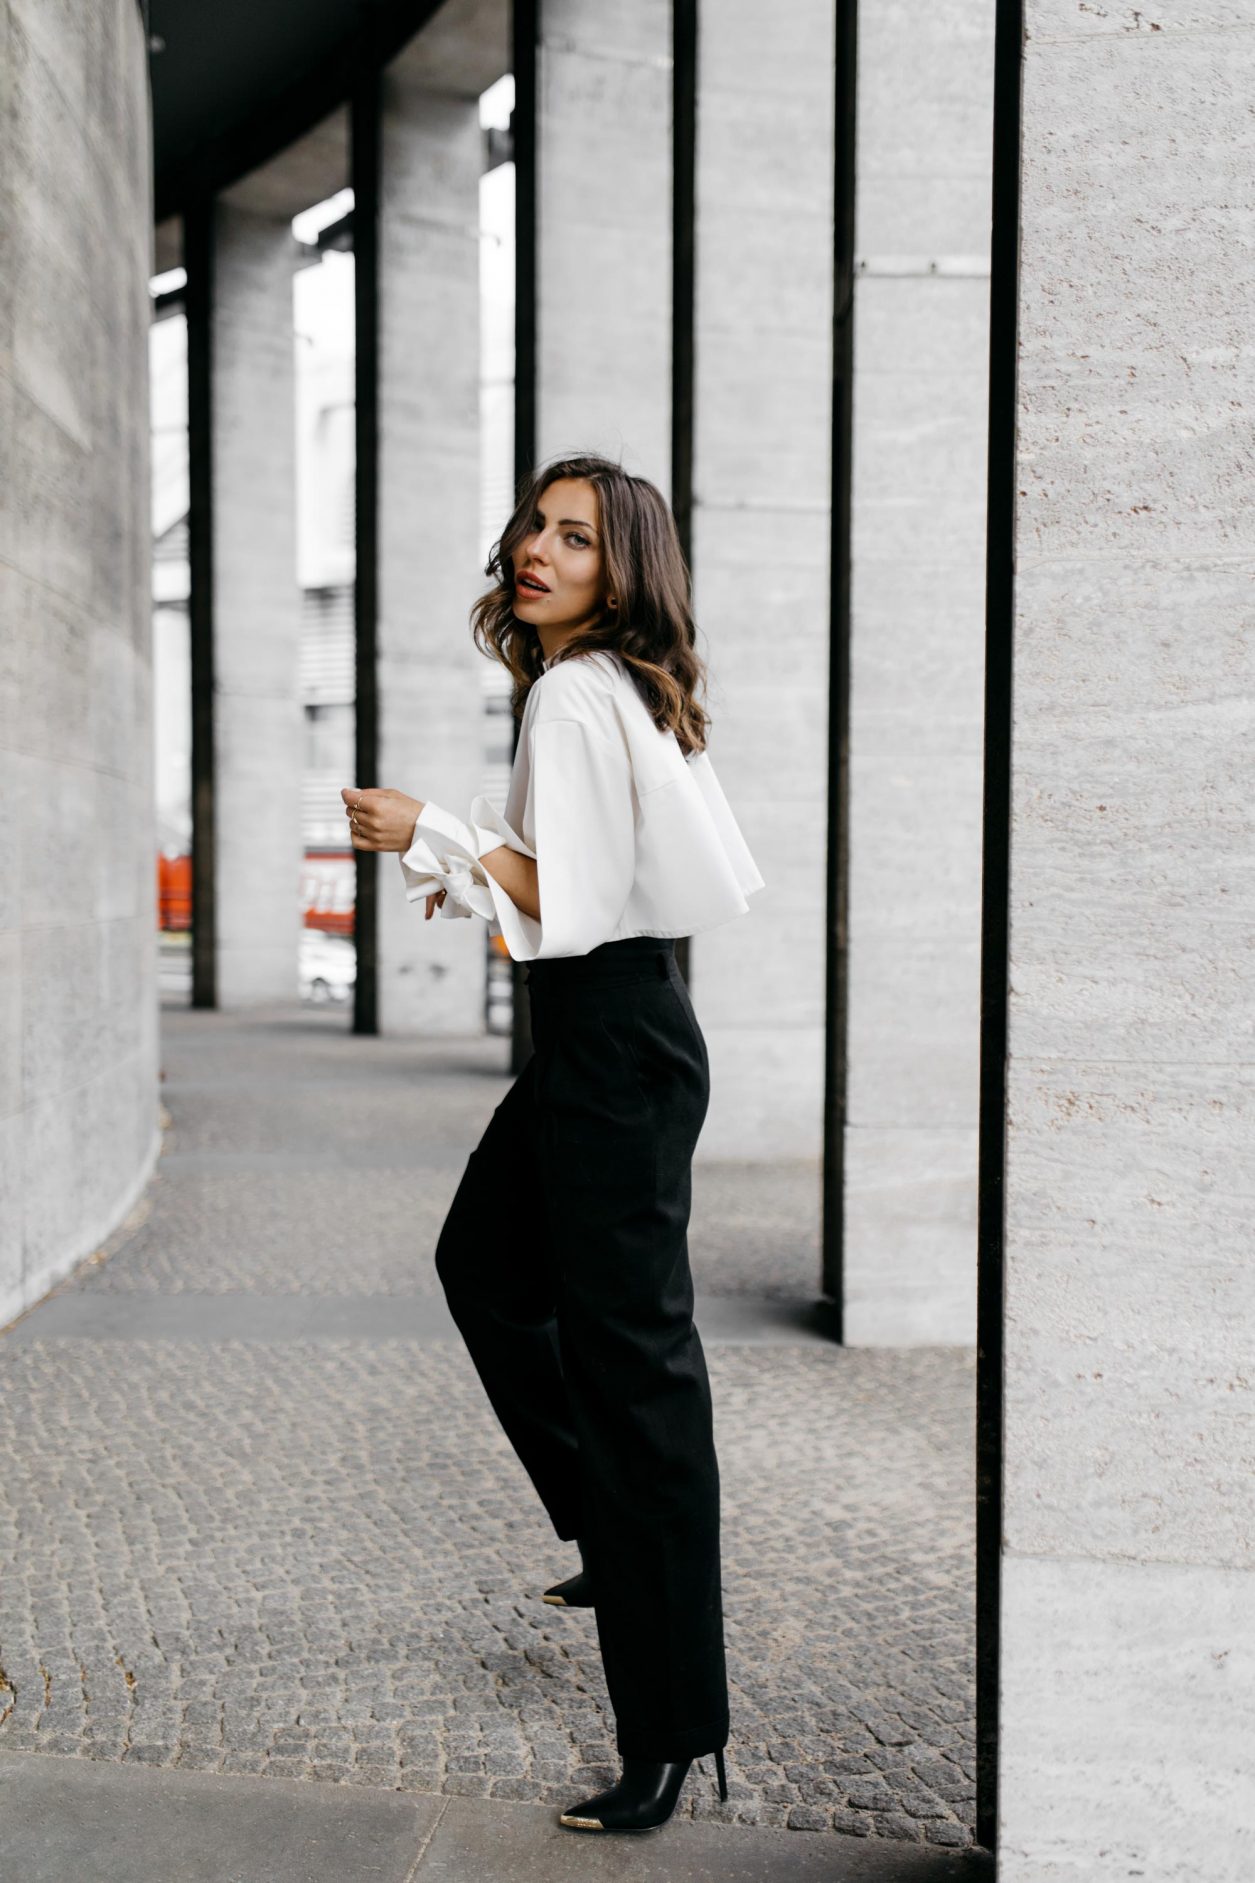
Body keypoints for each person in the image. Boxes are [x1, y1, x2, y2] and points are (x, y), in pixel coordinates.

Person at [339, 452, 764, 1834]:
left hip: (612, 1046)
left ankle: (668, 1733)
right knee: (484, 1261)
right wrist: (466, 868)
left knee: (640, 1383)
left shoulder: (582, 691)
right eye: (536, 524)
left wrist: (427, 834)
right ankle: (607, 1519)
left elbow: (562, 893)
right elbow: (581, 879)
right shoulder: (610, 688)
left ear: (619, 567)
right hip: (612, 1036)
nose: (538, 549)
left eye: (575, 537)